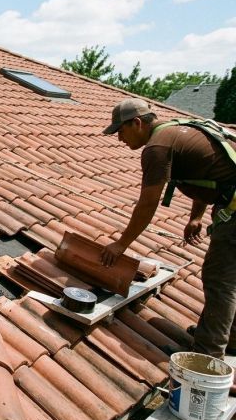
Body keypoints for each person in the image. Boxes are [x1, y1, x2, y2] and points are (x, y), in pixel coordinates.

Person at [100, 98, 236, 360]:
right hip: (230, 202)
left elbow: (147, 203)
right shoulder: (179, 130)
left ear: (137, 123)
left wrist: (121, 244)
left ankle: (207, 357)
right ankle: (230, 338)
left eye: (121, 131)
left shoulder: (157, 147)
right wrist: (196, 216)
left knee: (221, 281)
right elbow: (211, 173)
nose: (119, 139)